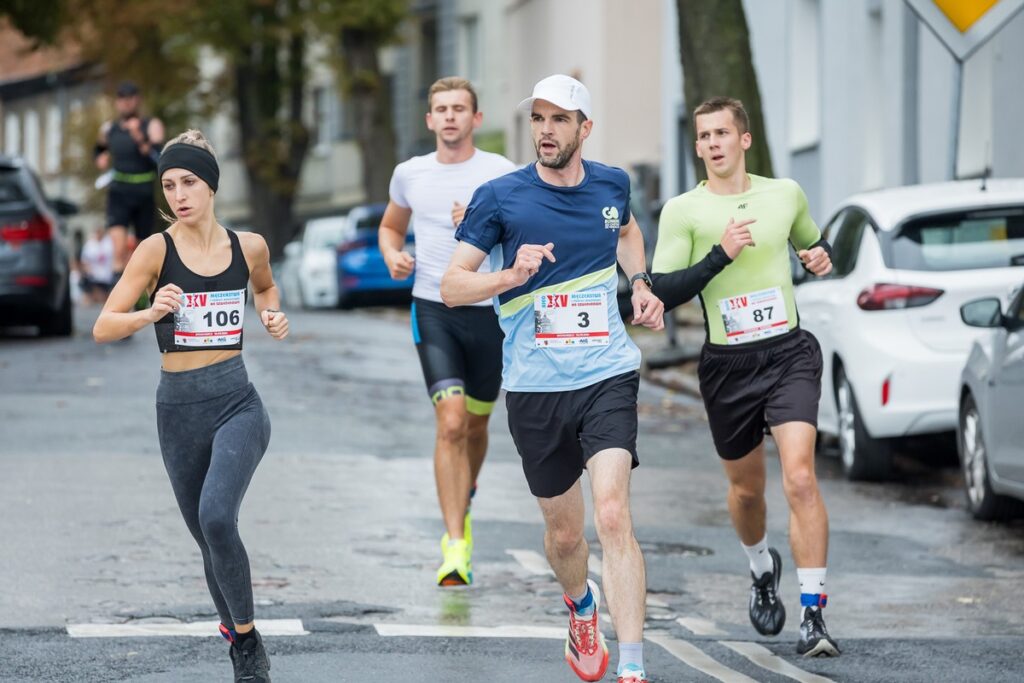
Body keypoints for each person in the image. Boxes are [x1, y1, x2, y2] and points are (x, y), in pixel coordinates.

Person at [441, 74, 664, 683]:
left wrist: (641, 284)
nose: (545, 130)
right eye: (538, 118)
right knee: (566, 537)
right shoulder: (499, 198)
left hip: (607, 375)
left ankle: (634, 667)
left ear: (583, 129)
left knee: (613, 514)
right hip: (536, 387)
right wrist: (508, 277)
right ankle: (581, 605)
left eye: (559, 119)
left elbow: (627, 233)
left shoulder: (613, 185)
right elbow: (452, 285)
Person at [93, 129, 288, 682]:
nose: (179, 194)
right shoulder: (155, 250)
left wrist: (272, 315)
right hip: (177, 411)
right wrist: (149, 313)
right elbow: (104, 325)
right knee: (207, 539)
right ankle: (237, 634)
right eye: (170, 184)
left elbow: (267, 289)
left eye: (190, 182)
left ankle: (246, 643)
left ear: (211, 186)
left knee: (216, 517)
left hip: (238, 403)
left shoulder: (249, 247)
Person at [649, 96, 839, 657]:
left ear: (744, 139)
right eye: (703, 135)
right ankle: (761, 567)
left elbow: (813, 240)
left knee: (800, 477)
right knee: (746, 490)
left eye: (721, 133)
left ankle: (813, 615)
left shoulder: (783, 194)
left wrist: (820, 256)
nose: (712, 143)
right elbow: (665, 288)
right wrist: (720, 254)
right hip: (727, 365)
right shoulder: (684, 210)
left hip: (788, 353)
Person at [379, 77, 516, 587]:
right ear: (430, 120)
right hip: (433, 308)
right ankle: (455, 545)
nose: (451, 116)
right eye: (442, 109)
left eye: (460, 108)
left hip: (490, 313)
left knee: (477, 426)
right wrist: (393, 255)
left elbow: (525, 231)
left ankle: (467, 488)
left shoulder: (501, 174)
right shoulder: (410, 174)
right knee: (451, 422)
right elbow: (392, 227)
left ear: (476, 119)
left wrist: (483, 222)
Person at [94, 81, 165, 279]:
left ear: (137, 100)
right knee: (118, 250)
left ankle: (141, 298)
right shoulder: (109, 129)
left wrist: (139, 137)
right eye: (122, 99)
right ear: (117, 102)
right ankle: (118, 306)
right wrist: (100, 158)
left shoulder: (151, 125)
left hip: (143, 191)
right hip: (119, 192)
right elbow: (98, 150)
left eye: (130, 98)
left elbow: (159, 159)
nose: (126, 103)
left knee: (142, 252)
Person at [79, 226, 115, 304]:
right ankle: (91, 295)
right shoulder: (90, 244)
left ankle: (102, 296)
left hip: (107, 275)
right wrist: (88, 271)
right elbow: (85, 261)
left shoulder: (109, 243)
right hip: (93, 275)